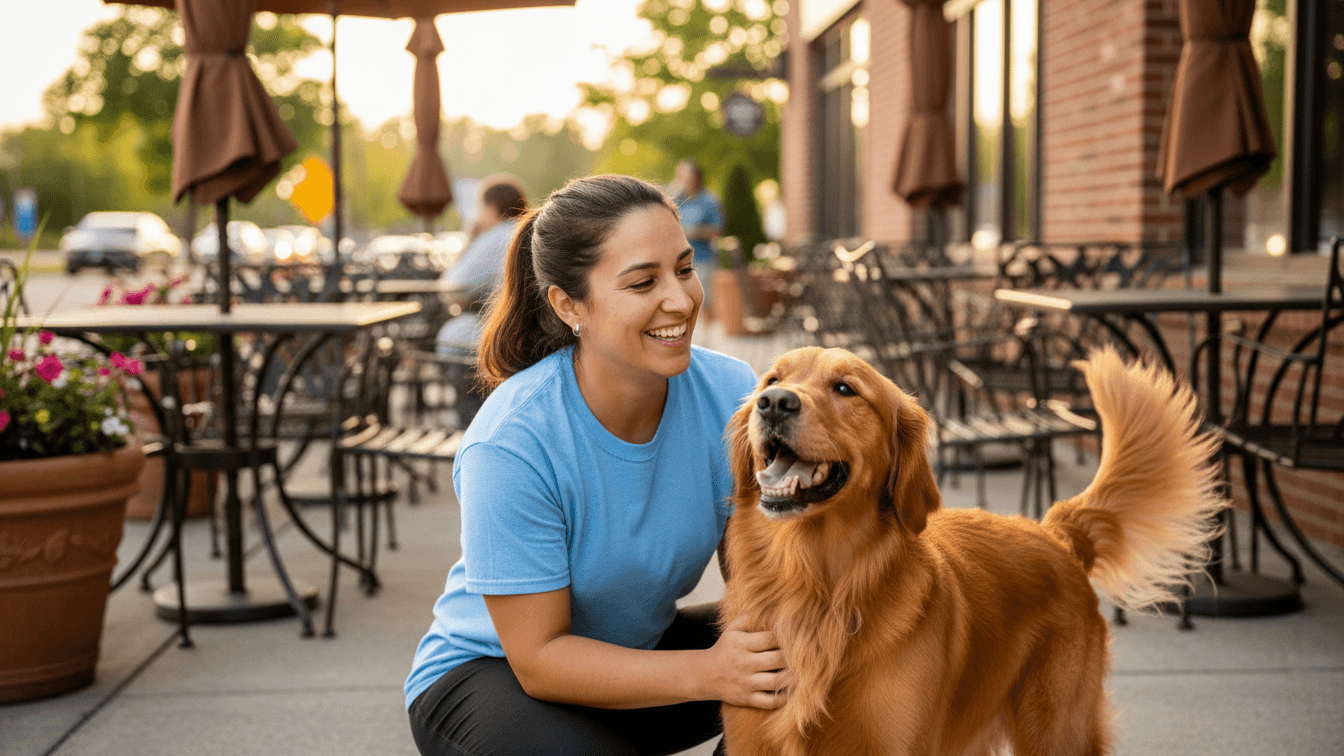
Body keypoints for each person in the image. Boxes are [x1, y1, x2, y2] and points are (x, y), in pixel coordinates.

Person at [405, 174, 786, 756]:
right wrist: (712, 672)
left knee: (809, 641)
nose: (682, 300)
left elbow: (756, 578)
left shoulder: (728, 393)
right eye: (642, 282)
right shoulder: (513, 441)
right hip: (496, 678)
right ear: (568, 304)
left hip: (635, 654)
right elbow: (540, 660)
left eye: (684, 269)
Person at [434, 175, 528, 426]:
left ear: (492, 208)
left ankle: (472, 422)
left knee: (453, 336)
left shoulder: (496, 236)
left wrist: (471, 240)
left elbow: (452, 289)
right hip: (537, 340)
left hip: (507, 343)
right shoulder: (533, 230)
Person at [671, 159, 724, 313]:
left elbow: (718, 231)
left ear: (697, 177)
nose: (684, 180)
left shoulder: (709, 200)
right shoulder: (677, 199)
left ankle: (707, 335)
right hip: (678, 260)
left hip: (703, 259)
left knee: (704, 299)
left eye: (687, 176)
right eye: (680, 176)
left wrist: (694, 232)